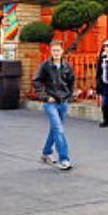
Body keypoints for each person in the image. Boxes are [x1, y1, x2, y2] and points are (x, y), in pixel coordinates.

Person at [33, 38, 75, 171]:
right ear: (50, 51)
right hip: (50, 103)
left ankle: (46, 152)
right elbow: (36, 81)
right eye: (54, 50)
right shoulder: (45, 65)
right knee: (58, 129)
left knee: (55, 129)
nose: (56, 53)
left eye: (58, 50)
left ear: (62, 51)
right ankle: (64, 159)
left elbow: (71, 81)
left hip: (63, 102)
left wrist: (69, 95)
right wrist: (45, 96)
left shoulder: (67, 66)